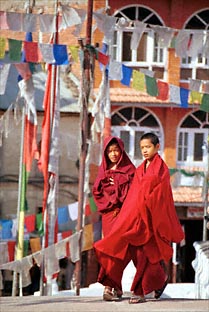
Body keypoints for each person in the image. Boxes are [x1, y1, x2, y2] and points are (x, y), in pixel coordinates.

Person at [94, 132, 185, 303]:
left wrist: (143, 205)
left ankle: (139, 291)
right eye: (142, 147)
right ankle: (118, 284)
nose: (144, 150)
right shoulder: (141, 168)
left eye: (148, 147)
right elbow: (134, 194)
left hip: (150, 218)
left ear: (157, 147)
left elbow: (161, 195)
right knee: (123, 249)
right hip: (134, 216)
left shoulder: (161, 168)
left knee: (144, 254)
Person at [92, 136, 136, 300]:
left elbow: (134, 193)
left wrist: (117, 185)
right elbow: (97, 192)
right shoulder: (103, 170)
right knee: (110, 249)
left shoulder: (130, 170)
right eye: (110, 151)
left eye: (116, 150)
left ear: (122, 151)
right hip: (109, 216)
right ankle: (111, 287)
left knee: (122, 251)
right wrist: (111, 196)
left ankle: (112, 285)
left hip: (125, 215)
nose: (113, 154)